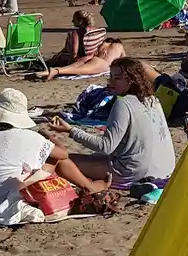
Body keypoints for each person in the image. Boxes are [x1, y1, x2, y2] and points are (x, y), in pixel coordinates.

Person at [0, 88, 102, 221]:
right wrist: (47, 134)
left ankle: (88, 186)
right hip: (8, 204)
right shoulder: (29, 137)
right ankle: (89, 187)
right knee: (54, 159)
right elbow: (63, 154)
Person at [46, 58, 176, 192]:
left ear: (132, 80)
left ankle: (91, 186)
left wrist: (71, 130)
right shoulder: (153, 100)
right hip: (165, 169)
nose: (110, 82)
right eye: (111, 76)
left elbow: (106, 147)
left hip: (135, 172)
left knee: (64, 161)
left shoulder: (123, 103)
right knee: (96, 156)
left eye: (117, 78)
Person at [34, 36, 125, 80]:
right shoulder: (119, 46)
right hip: (102, 62)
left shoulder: (103, 44)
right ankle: (55, 71)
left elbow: (94, 54)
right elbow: (124, 60)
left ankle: (45, 72)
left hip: (90, 57)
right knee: (77, 70)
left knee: (70, 67)